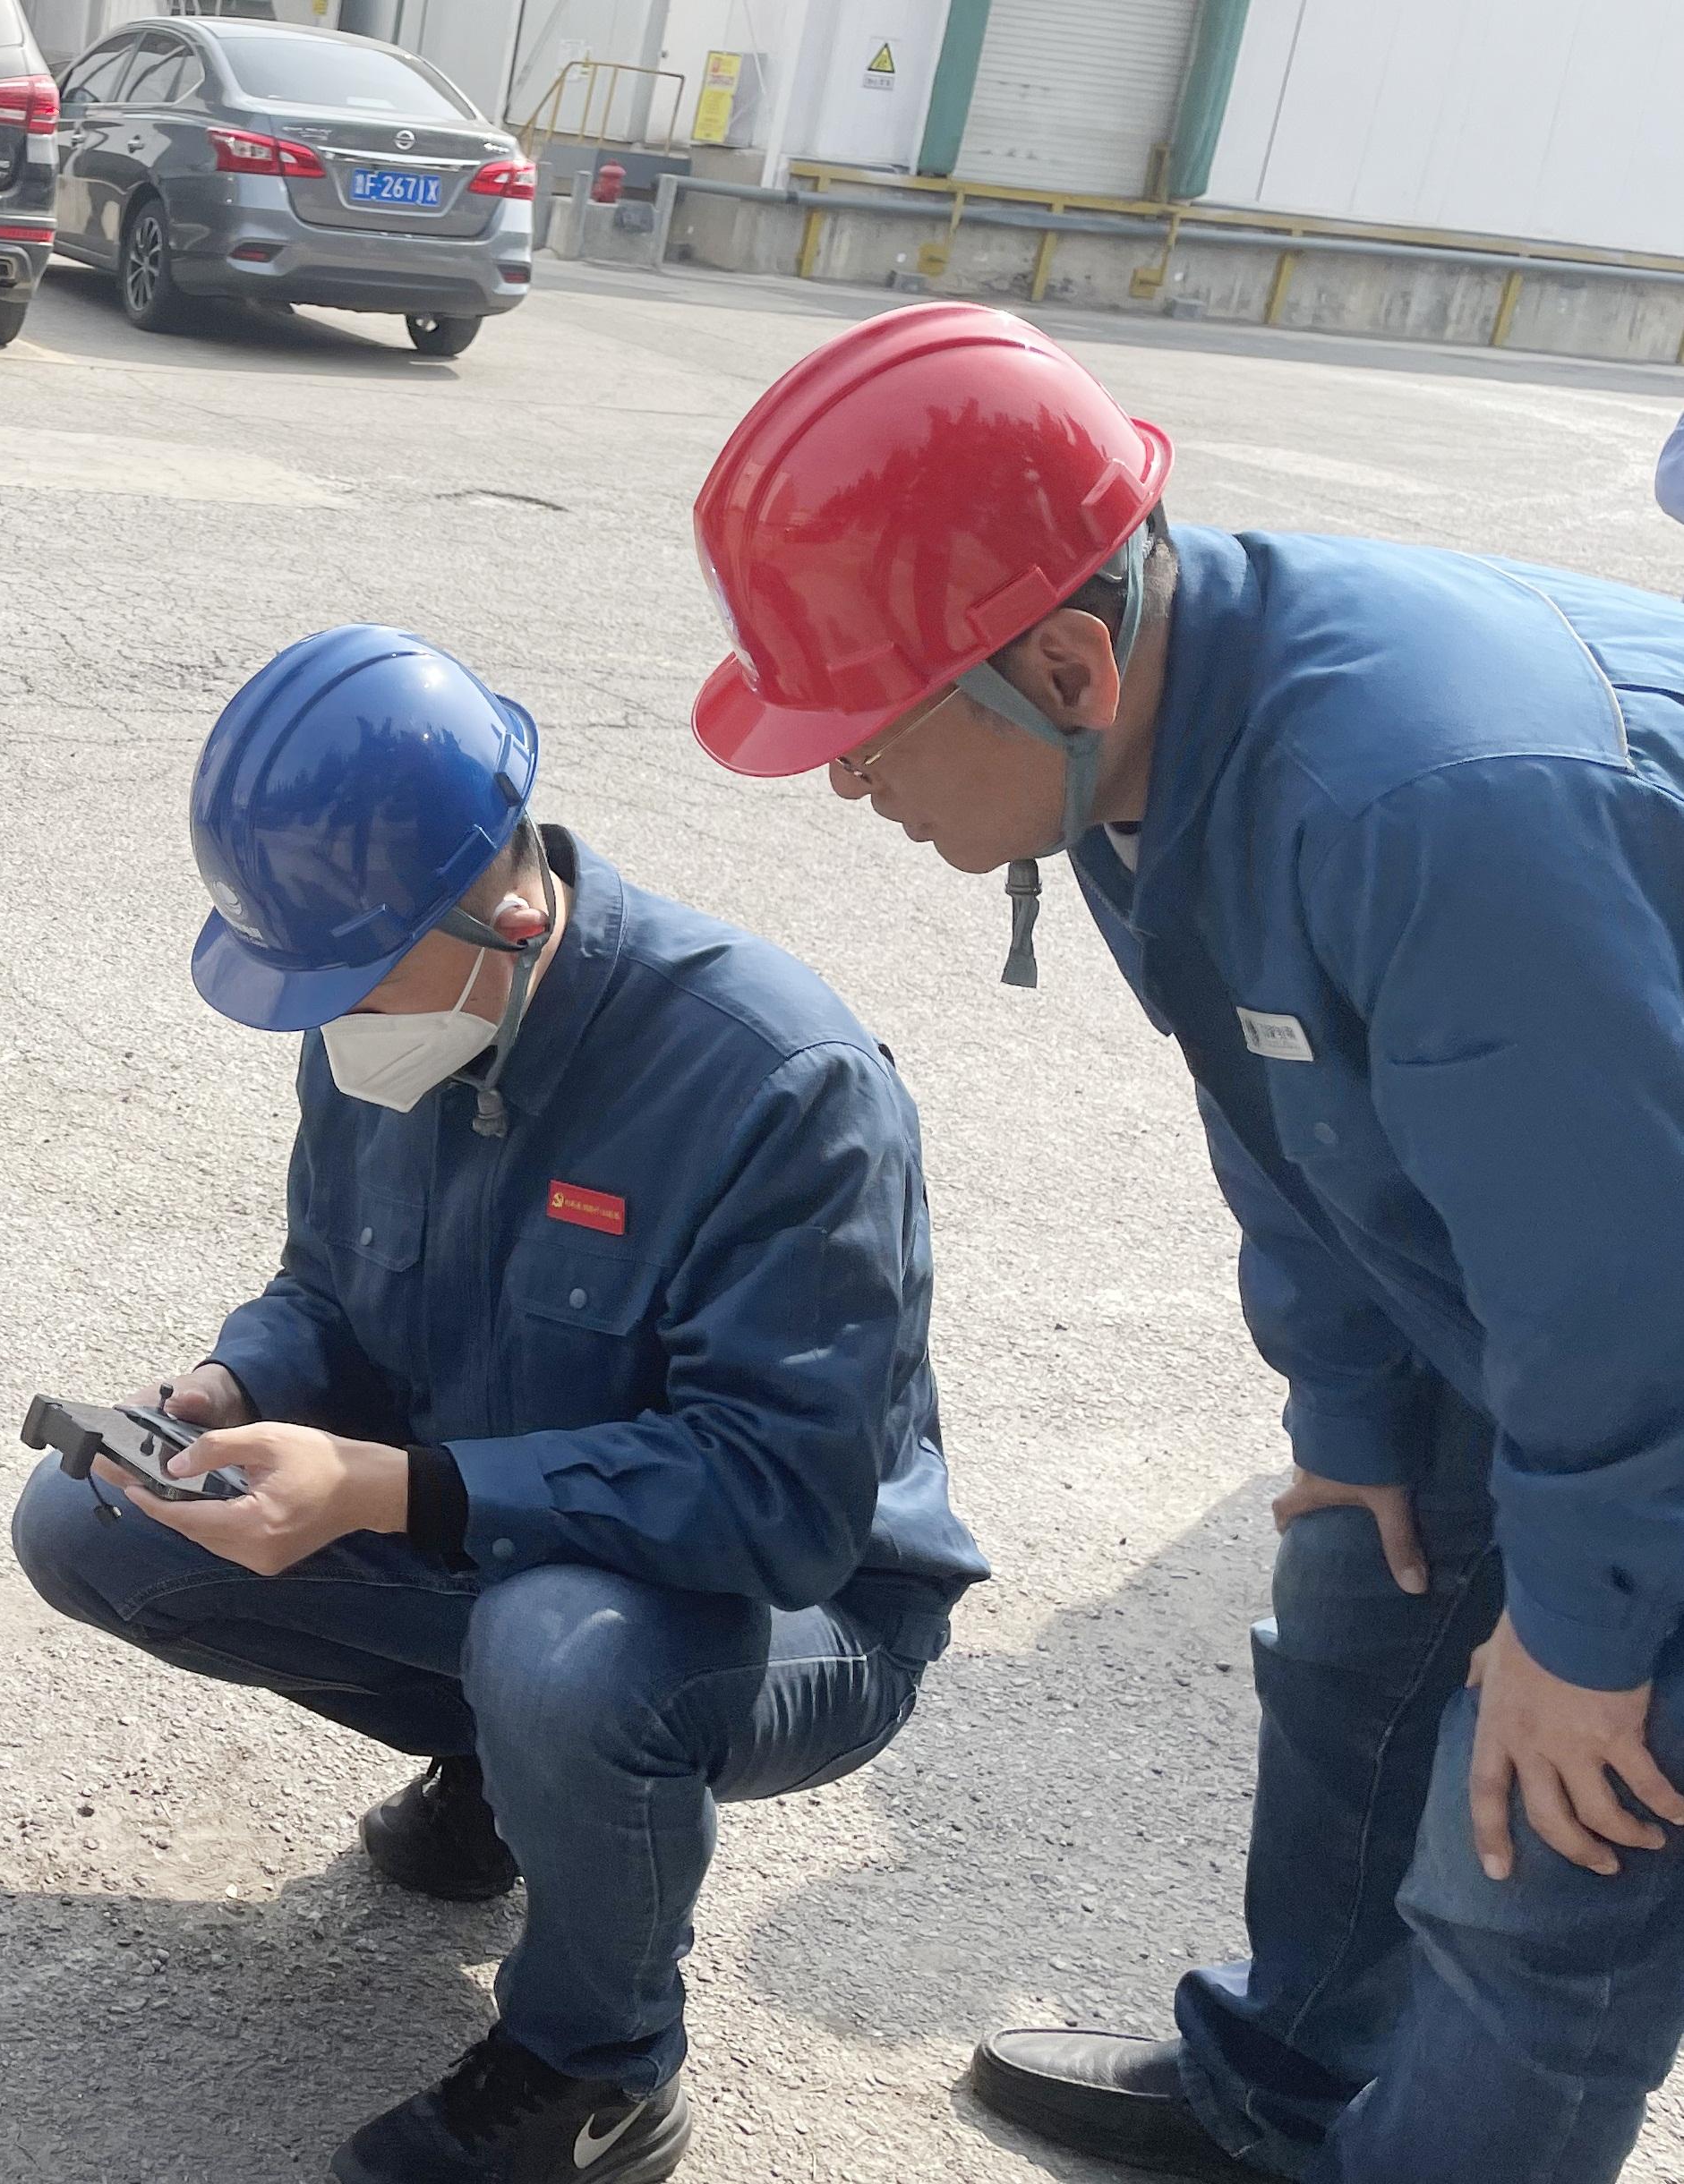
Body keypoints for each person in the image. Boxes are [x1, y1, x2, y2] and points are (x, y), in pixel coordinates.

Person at [689, 301, 1684, 2184]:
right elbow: (1289, 1120)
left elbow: (1627, 1290)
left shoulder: (1426, 809)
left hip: (1650, 1305)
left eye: (867, 736)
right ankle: (1281, 2095)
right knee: (1356, 1614)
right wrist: (1355, 1418)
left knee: (1550, 1850)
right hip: (1597, 1253)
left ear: (1063, 664)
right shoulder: (1148, 744)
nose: (843, 783)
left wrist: (1583, 1631)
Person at [12, 627, 988, 2184]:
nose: (332, 1021)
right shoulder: (393, 1010)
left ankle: (596, 2065)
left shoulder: (778, 1081)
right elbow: (331, 1290)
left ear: (511, 917)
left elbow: (781, 1503)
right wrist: (236, 1381)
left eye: (351, 981)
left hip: (800, 1611)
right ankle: (518, 1779)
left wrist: (396, 1492)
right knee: (91, 1526)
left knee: (562, 1654)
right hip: (505, 1537)